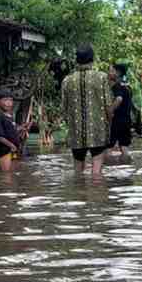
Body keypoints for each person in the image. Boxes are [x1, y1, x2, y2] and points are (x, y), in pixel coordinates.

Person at [60, 44, 111, 180]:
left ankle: (79, 191)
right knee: (97, 171)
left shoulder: (67, 80)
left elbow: (64, 109)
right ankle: (95, 191)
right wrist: (109, 124)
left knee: (78, 171)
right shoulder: (102, 77)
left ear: (76, 60)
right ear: (92, 59)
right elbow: (108, 105)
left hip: (76, 132)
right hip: (97, 130)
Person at [0, 89, 25, 171]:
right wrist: (12, 146)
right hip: (4, 150)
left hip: (13, 149)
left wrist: (21, 129)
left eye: (11, 100)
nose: (9, 103)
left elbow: (11, 131)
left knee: (12, 172)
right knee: (6, 174)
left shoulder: (10, 117)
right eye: (5, 100)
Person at [108, 62, 134, 159]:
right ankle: (127, 165)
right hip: (127, 120)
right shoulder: (128, 86)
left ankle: (106, 166)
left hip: (117, 121)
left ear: (118, 73)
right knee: (124, 147)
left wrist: (110, 110)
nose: (109, 73)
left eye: (111, 71)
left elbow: (119, 99)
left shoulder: (117, 86)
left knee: (108, 148)